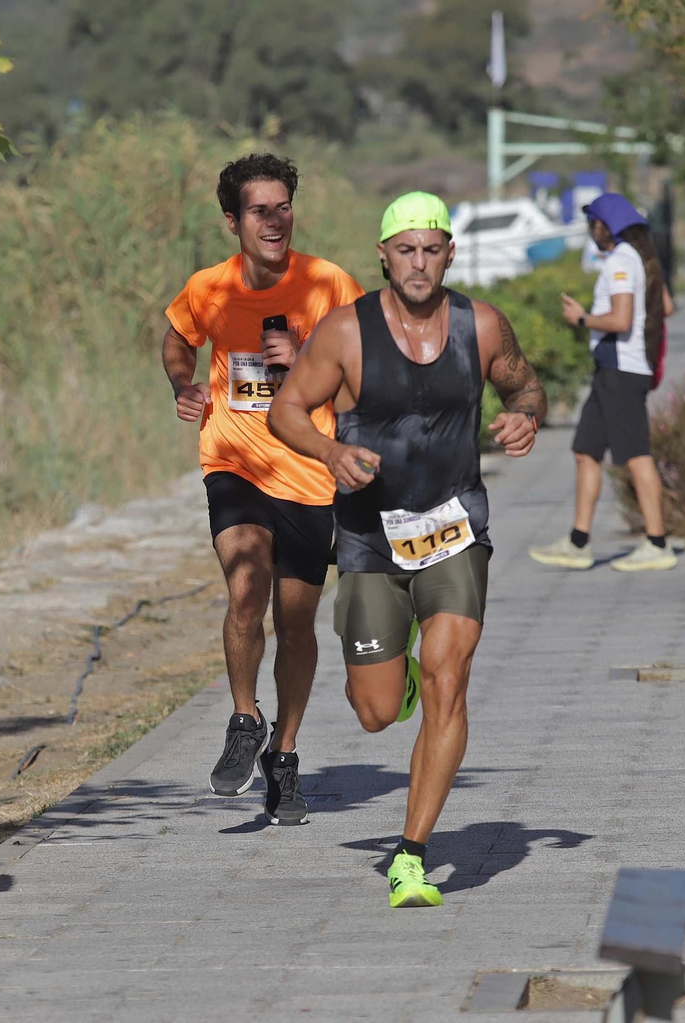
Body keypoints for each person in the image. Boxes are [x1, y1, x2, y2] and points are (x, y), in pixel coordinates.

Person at [268, 192, 546, 907]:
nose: (419, 262)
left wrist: (523, 418)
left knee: (450, 677)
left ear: (450, 252)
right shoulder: (345, 333)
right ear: (384, 257)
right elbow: (285, 411)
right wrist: (330, 450)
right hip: (369, 538)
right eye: (406, 249)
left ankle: (411, 853)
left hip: (456, 530)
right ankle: (400, 678)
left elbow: (525, 385)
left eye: (432, 248)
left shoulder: (480, 325)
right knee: (377, 710)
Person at [161, 154, 363, 824]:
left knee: (296, 623)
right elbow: (175, 339)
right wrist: (182, 384)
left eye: (283, 207)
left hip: (308, 472)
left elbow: (366, 371)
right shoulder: (209, 288)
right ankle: (244, 719)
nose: (274, 220)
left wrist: (309, 352)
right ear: (232, 220)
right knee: (246, 586)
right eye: (259, 210)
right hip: (235, 464)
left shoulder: (329, 282)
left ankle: (285, 753)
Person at [529, 192, 677, 572]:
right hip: (613, 370)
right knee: (585, 450)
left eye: (591, 223)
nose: (590, 231)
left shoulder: (622, 261)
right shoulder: (638, 258)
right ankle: (578, 542)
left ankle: (657, 542)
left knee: (636, 454)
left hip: (621, 371)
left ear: (603, 226)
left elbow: (621, 320)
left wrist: (581, 318)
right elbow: (669, 307)